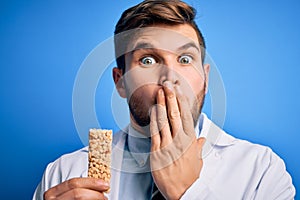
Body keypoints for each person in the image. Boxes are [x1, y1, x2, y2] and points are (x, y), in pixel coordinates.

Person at [33, 0, 296, 199]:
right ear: (120, 82)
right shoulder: (65, 173)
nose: (170, 77)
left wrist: (187, 192)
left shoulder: (261, 170)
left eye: (185, 59)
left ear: (204, 78)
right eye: (147, 60)